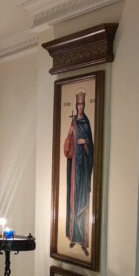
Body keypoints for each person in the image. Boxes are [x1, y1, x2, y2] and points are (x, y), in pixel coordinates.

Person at [63, 91, 93, 256]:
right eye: (78, 104)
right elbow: (67, 148)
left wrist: (85, 142)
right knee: (73, 200)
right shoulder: (74, 122)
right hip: (74, 167)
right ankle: (74, 236)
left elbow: (91, 148)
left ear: (84, 105)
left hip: (83, 169)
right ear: (76, 105)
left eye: (82, 104)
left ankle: (83, 240)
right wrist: (70, 133)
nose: (80, 106)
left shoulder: (86, 123)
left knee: (82, 200)